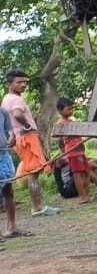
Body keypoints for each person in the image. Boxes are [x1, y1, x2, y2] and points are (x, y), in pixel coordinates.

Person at [2, 71, 58, 217]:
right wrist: (27, 126)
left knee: (33, 171)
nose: (23, 85)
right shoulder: (16, 100)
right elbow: (17, 114)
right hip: (27, 137)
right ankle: (37, 208)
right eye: (19, 82)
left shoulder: (6, 99)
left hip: (19, 138)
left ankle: (38, 206)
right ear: (10, 84)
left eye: (25, 82)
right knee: (34, 173)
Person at [55, 97, 97, 204]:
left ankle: (87, 194)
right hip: (73, 152)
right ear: (60, 110)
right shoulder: (61, 124)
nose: (71, 111)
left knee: (86, 172)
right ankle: (82, 196)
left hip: (80, 151)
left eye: (72, 109)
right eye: (68, 109)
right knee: (77, 174)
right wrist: (63, 152)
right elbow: (60, 141)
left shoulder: (71, 121)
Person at [0, 99, 28, 239]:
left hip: (4, 154)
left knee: (7, 189)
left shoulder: (3, 112)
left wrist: (11, 138)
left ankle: (12, 227)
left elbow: (9, 131)